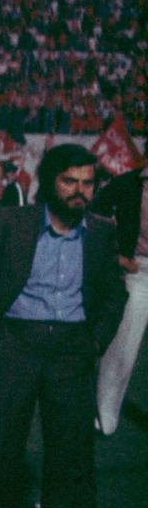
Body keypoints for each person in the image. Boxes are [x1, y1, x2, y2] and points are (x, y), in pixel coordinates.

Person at [0, 144, 125, 508]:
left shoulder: (101, 231)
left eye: (87, 183)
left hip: (72, 348)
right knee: (3, 447)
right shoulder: (12, 222)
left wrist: (96, 340)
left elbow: (114, 295)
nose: (79, 191)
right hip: (15, 340)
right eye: (70, 181)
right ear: (50, 181)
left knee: (70, 454)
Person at [90, 165, 148, 435]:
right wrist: (117, 257)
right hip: (139, 270)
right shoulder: (127, 184)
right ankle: (105, 414)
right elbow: (93, 215)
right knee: (123, 347)